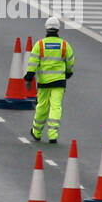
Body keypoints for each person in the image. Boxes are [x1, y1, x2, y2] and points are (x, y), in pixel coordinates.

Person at [25, 15, 75, 143]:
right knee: (56, 107)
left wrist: (29, 77)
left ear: (46, 29)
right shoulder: (64, 45)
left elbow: (32, 62)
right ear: (58, 30)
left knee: (42, 106)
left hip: (43, 83)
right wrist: (68, 73)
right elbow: (70, 61)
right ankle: (53, 135)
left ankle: (36, 132)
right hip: (59, 82)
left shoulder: (40, 44)